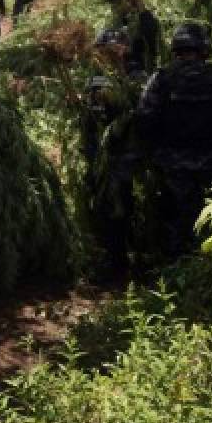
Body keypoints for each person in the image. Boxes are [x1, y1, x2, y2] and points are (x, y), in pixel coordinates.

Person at [136, 24, 212, 258]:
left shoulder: (161, 79)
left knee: (180, 219)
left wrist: (156, 150)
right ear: (204, 49)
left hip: (174, 162)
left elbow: (145, 116)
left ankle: (179, 267)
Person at [80, 28, 146, 282]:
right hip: (101, 156)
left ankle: (125, 261)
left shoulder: (137, 77)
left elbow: (139, 114)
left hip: (126, 155)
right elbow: (91, 116)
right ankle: (113, 259)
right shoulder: (97, 78)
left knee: (121, 207)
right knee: (105, 208)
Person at [104, 0, 161, 74]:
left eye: (117, 2)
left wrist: (142, 8)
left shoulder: (142, 19)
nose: (113, 6)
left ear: (128, 1)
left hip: (139, 70)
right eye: (112, 3)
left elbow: (151, 37)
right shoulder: (115, 23)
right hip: (118, 71)